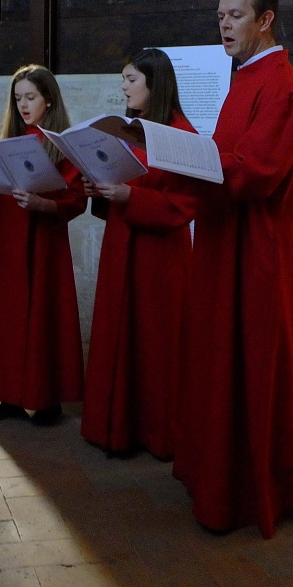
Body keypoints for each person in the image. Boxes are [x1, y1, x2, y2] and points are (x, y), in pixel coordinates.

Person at [173, 0, 293, 539]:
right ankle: (218, 478)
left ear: (266, 20)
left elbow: (256, 171)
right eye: (220, 17)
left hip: (257, 249)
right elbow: (227, 155)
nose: (224, 26)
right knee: (221, 360)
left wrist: (185, 158)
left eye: (235, 16)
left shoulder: (282, 85)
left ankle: (249, 490)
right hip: (226, 242)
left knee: (254, 363)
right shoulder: (245, 78)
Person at [80, 49, 197, 460]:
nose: (124, 87)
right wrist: (97, 187)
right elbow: (118, 182)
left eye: (131, 79)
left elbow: (185, 203)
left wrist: (130, 197)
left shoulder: (181, 133)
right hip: (121, 244)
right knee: (118, 335)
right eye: (123, 79)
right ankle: (114, 428)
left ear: (155, 83)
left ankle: (156, 433)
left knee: (154, 344)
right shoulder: (128, 129)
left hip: (158, 257)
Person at [0, 65, 86, 426]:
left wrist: (44, 204)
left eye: (31, 97)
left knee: (45, 314)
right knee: (8, 316)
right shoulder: (8, 143)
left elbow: (76, 200)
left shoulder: (62, 146)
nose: (23, 105)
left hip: (45, 243)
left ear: (49, 100)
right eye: (18, 99)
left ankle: (47, 399)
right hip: (9, 241)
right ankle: (10, 396)